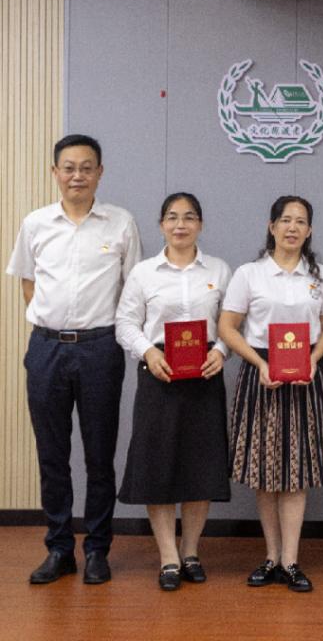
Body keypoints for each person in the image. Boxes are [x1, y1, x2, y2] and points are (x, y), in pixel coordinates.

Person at [6, 134, 141, 585]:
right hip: (47, 349)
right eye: (69, 167)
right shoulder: (36, 223)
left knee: (100, 456)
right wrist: (52, 327)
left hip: (100, 349)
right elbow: (28, 284)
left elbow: (132, 291)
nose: (77, 175)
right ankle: (60, 548)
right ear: (55, 173)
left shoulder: (121, 223)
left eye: (86, 167)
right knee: (52, 454)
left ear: (99, 173)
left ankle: (98, 549)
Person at [218, 196, 323, 593]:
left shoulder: (321, 276)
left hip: (306, 374)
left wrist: (313, 360)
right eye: (285, 220)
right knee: (265, 471)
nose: (292, 227)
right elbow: (228, 327)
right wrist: (259, 363)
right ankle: (271, 556)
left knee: (296, 471)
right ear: (271, 227)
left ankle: (291, 561)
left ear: (310, 230)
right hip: (262, 372)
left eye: (300, 221)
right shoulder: (249, 274)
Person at [115, 192, 232, 591]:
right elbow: (125, 323)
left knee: (201, 464)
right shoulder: (143, 273)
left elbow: (233, 323)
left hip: (204, 374)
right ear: (161, 224)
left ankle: (191, 551)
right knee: (158, 463)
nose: (180, 225)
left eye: (189, 217)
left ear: (200, 224)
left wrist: (222, 350)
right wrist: (148, 352)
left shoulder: (219, 269)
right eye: (172, 217)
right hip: (159, 373)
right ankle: (168, 556)